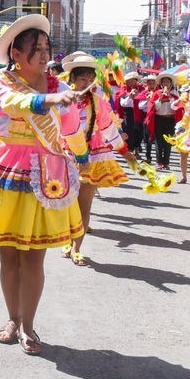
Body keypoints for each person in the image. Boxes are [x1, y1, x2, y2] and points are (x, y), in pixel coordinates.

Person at [0, 14, 87, 356]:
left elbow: (71, 130)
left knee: (34, 259)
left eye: (46, 47)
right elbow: (6, 104)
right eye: (35, 48)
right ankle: (13, 318)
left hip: (48, 173)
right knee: (9, 256)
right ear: (15, 53)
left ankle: (29, 325)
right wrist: (42, 102)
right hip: (7, 171)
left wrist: (83, 158)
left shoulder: (60, 88)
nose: (43, 54)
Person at [59, 53, 135, 266]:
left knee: (84, 206)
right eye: (82, 78)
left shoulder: (98, 102)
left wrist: (124, 151)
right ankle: (66, 240)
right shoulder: (60, 99)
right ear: (72, 79)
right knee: (68, 205)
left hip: (92, 159)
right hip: (65, 157)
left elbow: (108, 129)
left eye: (90, 79)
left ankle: (77, 248)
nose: (87, 83)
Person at [146, 72, 180, 170]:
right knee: (159, 141)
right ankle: (159, 162)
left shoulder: (175, 93)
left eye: (167, 82)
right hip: (159, 119)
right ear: (161, 84)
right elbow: (155, 107)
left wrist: (170, 97)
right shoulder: (157, 93)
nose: (165, 83)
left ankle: (166, 163)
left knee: (168, 141)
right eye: (164, 81)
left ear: (170, 83)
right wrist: (160, 99)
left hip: (170, 119)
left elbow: (175, 108)